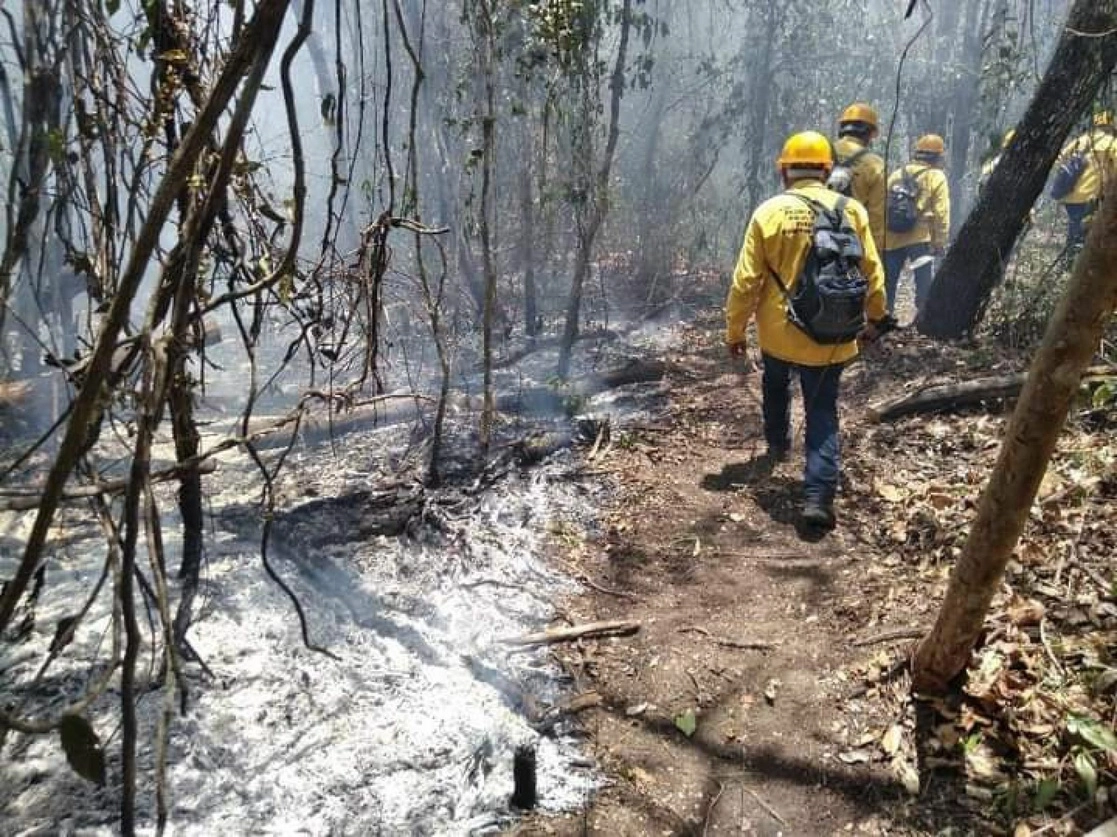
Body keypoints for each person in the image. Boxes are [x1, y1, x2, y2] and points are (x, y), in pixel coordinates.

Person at [725, 131, 887, 529]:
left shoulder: (769, 212)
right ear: (827, 169)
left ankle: (777, 443)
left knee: (776, 386)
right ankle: (817, 497)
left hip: (779, 333)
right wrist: (875, 318)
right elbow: (873, 274)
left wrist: (734, 331)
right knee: (822, 411)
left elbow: (746, 281)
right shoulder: (852, 212)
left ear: (784, 171)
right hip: (833, 334)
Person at [882, 133, 950, 315]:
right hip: (920, 238)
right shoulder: (936, 176)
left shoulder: (897, 173)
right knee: (923, 283)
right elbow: (941, 213)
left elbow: (884, 204)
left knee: (888, 283)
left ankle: (884, 320)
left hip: (892, 236)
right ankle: (922, 319)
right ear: (937, 156)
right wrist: (939, 242)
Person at [1052, 111, 1117, 256]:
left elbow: (1059, 160)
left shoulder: (1081, 140)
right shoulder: (1113, 143)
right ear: (1111, 125)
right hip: (1091, 196)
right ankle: (1072, 264)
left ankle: (1068, 262)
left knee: (1075, 229)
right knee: (1088, 233)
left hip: (1070, 196)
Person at [831, 103, 886, 252]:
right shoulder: (875, 164)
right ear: (870, 133)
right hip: (852, 243)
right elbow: (876, 218)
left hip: (815, 236)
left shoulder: (822, 150)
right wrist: (875, 255)